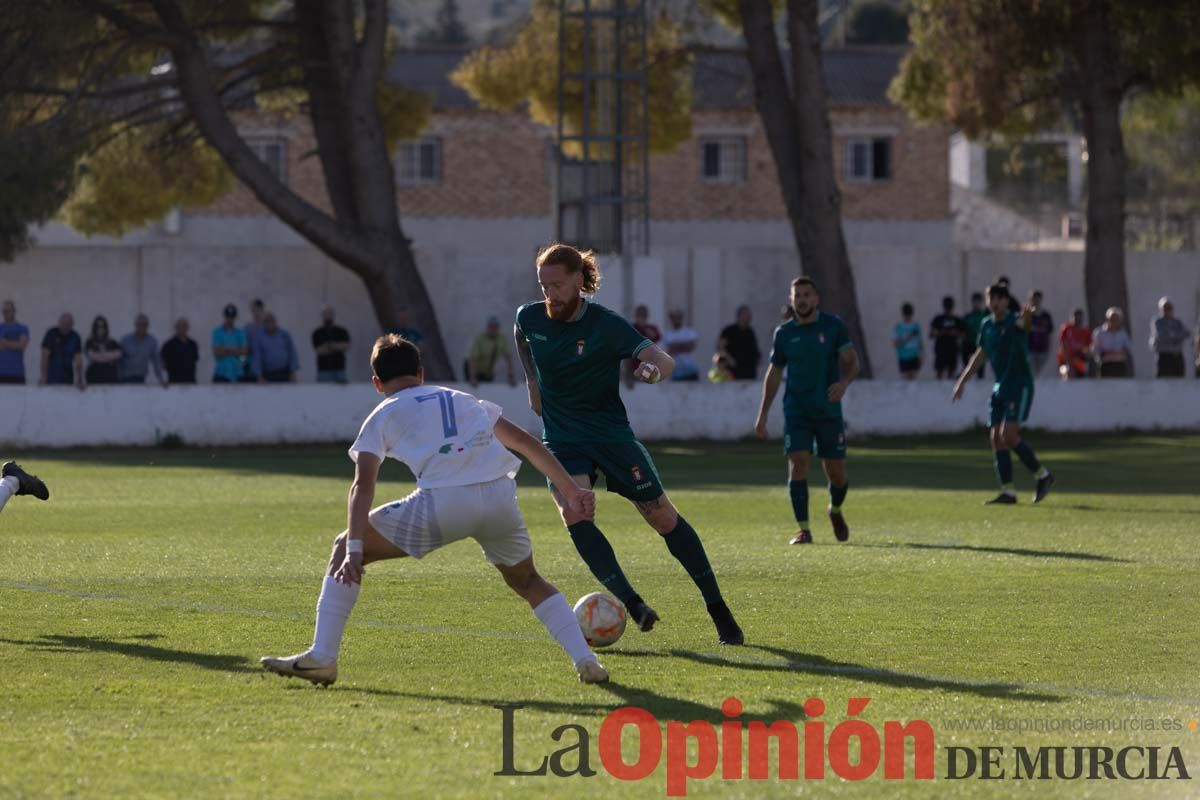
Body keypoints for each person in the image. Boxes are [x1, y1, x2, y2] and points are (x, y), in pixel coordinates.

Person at [260, 335, 610, 686]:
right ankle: (586, 660)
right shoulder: (462, 398)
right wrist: (572, 490)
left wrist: (354, 548)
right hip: (499, 498)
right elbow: (524, 443)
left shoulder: (382, 413)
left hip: (444, 503)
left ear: (377, 383)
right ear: (421, 373)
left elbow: (362, 486)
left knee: (342, 546)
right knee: (529, 580)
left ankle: (323, 657)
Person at [514, 244, 743, 645]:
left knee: (663, 518)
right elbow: (522, 338)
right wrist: (532, 381)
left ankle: (718, 608)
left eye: (558, 285)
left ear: (578, 281)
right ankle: (633, 604)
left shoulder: (606, 325)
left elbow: (661, 358)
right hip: (562, 440)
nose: (550, 294)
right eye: (543, 286)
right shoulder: (529, 317)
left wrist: (654, 370)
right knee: (575, 511)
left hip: (611, 438)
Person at [754, 277, 860, 545]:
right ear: (791, 301)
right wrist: (763, 414)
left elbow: (852, 362)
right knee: (798, 461)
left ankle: (835, 509)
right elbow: (774, 373)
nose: (801, 299)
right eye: (797, 295)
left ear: (816, 299)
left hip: (828, 410)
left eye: (806, 294)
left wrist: (844, 383)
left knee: (837, 473)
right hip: (796, 411)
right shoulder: (784, 334)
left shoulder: (833, 326)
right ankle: (804, 529)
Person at [952, 284, 1054, 505]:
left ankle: (1043, 475)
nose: (995, 302)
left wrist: (1028, 317)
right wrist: (962, 381)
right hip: (1000, 386)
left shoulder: (1014, 321)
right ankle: (1008, 491)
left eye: (999, 298)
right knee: (995, 438)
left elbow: (1025, 325)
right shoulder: (987, 325)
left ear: (1007, 301)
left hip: (1019, 384)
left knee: (1008, 435)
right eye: (992, 298)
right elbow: (980, 354)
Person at [466, 316, 515, 385]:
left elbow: (508, 358)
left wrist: (511, 376)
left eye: (495, 327)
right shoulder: (480, 339)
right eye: (491, 327)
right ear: (487, 327)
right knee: (473, 387)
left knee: (487, 388)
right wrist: (473, 377)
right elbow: (473, 359)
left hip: (487, 370)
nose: (493, 330)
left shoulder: (501, 339)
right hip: (473, 368)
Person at [118, 314, 166, 386]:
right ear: (135, 325)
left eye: (144, 325)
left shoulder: (152, 341)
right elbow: (118, 359)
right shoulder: (125, 340)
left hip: (140, 378)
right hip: (125, 378)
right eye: (139, 324)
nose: (142, 327)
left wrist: (161, 379)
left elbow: (156, 361)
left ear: (148, 326)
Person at [252, 312, 299, 383]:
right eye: (266, 321)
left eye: (271, 321)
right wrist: (259, 376)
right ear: (263, 323)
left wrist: (293, 373)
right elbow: (256, 357)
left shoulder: (284, 335)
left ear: (275, 322)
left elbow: (292, 353)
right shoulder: (258, 337)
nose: (269, 323)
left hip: (285, 373)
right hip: (267, 374)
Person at [40, 313, 84, 388]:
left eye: (68, 324)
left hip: (68, 377)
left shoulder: (75, 337)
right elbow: (44, 356)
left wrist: (80, 378)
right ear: (59, 323)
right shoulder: (51, 334)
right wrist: (43, 377)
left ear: (72, 325)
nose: (65, 326)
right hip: (51, 376)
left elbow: (78, 360)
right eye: (63, 323)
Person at [718, 305, 761, 380]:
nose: (749, 317)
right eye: (746, 314)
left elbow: (754, 349)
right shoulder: (729, 330)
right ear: (740, 315)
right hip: (733, 372)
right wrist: (729, 359)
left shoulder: (750, 332)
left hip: (749, 372)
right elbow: (720, 346)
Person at [1149, 297, 1188, 378]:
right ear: (1160, 309)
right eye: (1165, 308)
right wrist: (1175, 337)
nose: (1168, 310)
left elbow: (1186, 333)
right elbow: (1160, 336)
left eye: (1170, 308)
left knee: (1179, 379)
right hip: (1164, 357)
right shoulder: (1158, 322)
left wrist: (1171, 336)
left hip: (1176, 356)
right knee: (1163, 379)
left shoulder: (1177, 322)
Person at [312, 306, 351, 384]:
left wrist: (330, 346)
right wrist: (336, 347)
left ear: (333, 315)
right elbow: (319, 350)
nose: (328, 317)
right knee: (323, 389)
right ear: (322, 316)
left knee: (342, 390)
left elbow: (346, 346)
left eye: (329, 314)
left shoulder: (341, 331)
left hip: (339, 368)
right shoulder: (317, 333)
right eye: (326, 314)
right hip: (323, 369)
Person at [929, 296, 965, 380]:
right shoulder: (938, 319)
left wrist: (954, 333)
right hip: (940, 350)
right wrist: (941, 332)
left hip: (952, 349)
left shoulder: (957, 320)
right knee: (939, 372)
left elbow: (963, 334)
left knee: (951, 372)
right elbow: (931, 333)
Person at [625, 305, 662, 387]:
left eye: (643, 315)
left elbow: (657, 339)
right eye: (639, 314)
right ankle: (630, 377)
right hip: (635, 364)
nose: (641, 317)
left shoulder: (652, 329)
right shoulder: (631, 328)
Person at [212, 304, 249, 384]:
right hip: (221, 373)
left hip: (238, 373)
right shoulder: (217, 332)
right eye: (228, 316)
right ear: (224, 316)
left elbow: (244, 353)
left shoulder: (240, 333)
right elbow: (217, 353)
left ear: (235, 317)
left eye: (232, 317)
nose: (230, 319)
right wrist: (236, 350)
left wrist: (225, 349)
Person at [1093, 307, 1133, 378]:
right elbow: (1097, 351)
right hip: (1105, 366)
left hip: (1119, 366)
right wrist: (1112, 354)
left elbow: (1126, 350)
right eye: (1112, 318)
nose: (1114, 321)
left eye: (1117, 319)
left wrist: (1111, 354)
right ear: (1107, 319)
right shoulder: (1099, 333)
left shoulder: (1123, 334)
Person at [661, 309, 700, 381]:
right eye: (674, 317)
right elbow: (668, 351)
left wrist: (674, 345)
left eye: (678, 317)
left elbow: (691, 346)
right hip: (676, 372)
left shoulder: (689, 332)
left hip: (691, 369)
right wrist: (683, 345)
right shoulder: (667, 334)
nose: (676, 319)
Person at [84, 315, 121, 385]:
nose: (100, 329)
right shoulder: (90, 342)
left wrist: (99, 355)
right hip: (94, 376)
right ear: (94, 328)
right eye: (98, 327)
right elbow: (91, 356)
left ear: (106, 328)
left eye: (102, 326)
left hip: (110, 377)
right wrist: (109, 357)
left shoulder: (112, 342)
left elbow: (118, 354)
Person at [161, 318, 199, 385]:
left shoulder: (193, 344)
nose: (182, 328)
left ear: (187, 328)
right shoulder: (169, 344)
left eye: (184, 326)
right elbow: (162, 363)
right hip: (174, 382)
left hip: (190, 381)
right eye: (180, 326)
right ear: (176, 328)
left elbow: (195, 360)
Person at [1057, 309, 1093, 379]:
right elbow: (1063, 347)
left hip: (1079, 360)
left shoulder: (1086, 332)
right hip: (1066, 361)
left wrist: (1084, 353)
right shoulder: (1066, 330)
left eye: (1080, 318)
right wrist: (1069, 362)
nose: (1078, 320)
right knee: (1067, 372)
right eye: (1076, 317)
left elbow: (1088, 349)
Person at [0, 300, 30, 384]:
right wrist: (14, 344)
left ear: (14, 311)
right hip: (1, 373)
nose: (5, 313)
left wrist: (4, 342)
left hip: (17, 373)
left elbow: (21, 346)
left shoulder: (22, 328)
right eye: (4, 311)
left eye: (8, 311)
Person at [1026, 291, 1054, 376]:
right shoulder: (1027, 315)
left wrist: (1049, 348)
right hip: (1029, 349)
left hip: (1043, 350)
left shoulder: (1046, 316)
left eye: (1038, 299)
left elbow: (1050, 333)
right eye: (1034, 299)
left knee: (1040, 374)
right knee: (1031, 373)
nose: (1036, 302)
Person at [962, 292, 988, 381]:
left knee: (980, 367)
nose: (976, 304)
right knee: (967, 365)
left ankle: (980, 379)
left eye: (978, 301)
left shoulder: (985, 316)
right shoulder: (968, 317)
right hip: (969, 344)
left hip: (980, 346)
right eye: (974, 302)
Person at [892, 303, 921, 379]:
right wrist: (907, 338)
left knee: (913, 380)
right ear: (903, 314)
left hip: (914, 356)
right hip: (903, 357)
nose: (908, 316)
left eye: (909, 314)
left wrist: (921, 355)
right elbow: (895, 344)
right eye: (906, 314)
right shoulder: (898, 327)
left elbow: (920, 342)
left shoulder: (916, 326)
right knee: (905, 380)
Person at [243, 298, 266, 380]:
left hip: (267, 368)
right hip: (251, 369)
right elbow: (244, 349)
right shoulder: (248, 328)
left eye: (257, 310)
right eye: (253, 311)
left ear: (262, 310)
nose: (256, 313)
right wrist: (243, 362)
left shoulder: (268, 328)